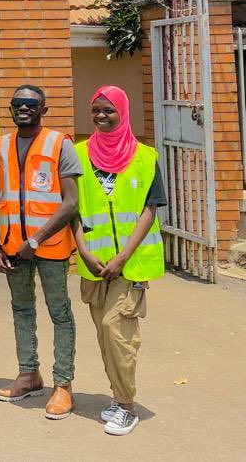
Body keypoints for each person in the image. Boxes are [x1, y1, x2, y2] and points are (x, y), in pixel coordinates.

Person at [73, 86, 165, 437]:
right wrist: (83, 250)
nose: (100, 115)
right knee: (104, 334)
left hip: (130, 264)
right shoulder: (79, 154)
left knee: (118, 331)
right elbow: (73, 209)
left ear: (122, 112)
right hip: (94, 264)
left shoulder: (145, 156)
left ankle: (126, 406)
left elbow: (149, 209)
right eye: (95, 109)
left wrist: (123, 255)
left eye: (108, 110)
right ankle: (117, 396)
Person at [0, 85, 80, 419]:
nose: (23, 108)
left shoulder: (60, 144)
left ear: (44, 108)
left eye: (31, 103)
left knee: (59, 312)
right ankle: (28, 374)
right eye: (17, 103)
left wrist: (37, 240)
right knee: (21, 309)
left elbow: (70, 203)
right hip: (12, 245)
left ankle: (63, 385)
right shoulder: (1, 145)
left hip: (51, 247)